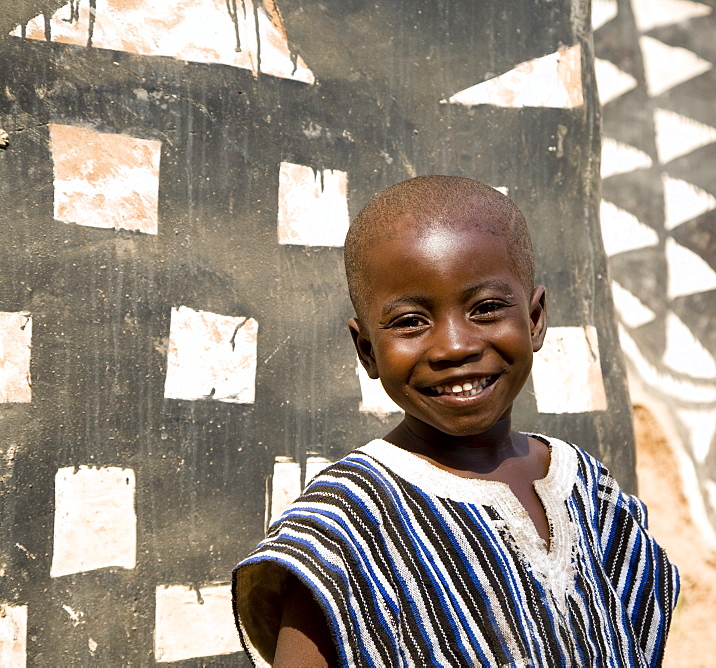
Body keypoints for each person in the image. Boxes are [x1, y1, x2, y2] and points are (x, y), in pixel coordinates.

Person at [232, 175, 680, 667]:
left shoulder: (587, 489)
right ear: (367, 351)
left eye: (486, 309)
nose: (454, 347)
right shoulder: (348, 527)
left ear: (534, 320)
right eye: (410, 322)